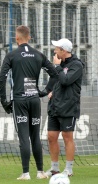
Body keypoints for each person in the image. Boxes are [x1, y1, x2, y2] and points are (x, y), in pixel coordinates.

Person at [0, 25, 58, 180]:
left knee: (24, 137)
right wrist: (44, 92)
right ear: (29, 38)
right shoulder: (38, 55)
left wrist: (4, 100)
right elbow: (54, 74)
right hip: (34, 100)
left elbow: (1, 78)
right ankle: (40, 172)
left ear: (16, 39)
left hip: (20, 101)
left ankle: (25, 173)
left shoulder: (12, 55)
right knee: (35, 136)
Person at [45, 38, 85, 177]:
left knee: (67, 137)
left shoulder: (77, 65)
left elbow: (66, 80)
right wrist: (50, 92)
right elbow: (55, 81)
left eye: (56, 49)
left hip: (68, 107)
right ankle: (54, 168)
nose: (54, 51)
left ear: (64, 51)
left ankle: (69, 169)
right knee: (51, 136)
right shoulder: (60, 64)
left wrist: (57, 66)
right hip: (55, 106)